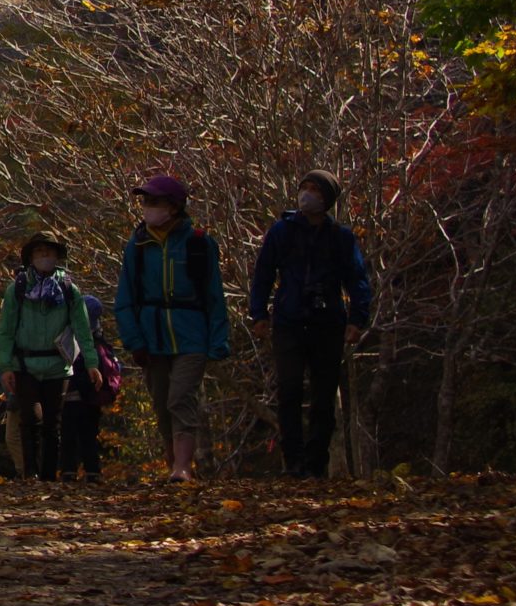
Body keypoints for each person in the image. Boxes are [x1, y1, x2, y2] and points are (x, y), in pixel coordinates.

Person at [248, 171, 374, 478]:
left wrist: (357, 319)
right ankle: (293, 462)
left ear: (327, 198)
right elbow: (264, 272)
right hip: (289, 321)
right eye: (304, 187)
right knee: (288, 391)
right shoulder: (282, 232)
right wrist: (259, 314)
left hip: (328, 323)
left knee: (323, 395)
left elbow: (357, 280)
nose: (307, 194)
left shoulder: (341, 238)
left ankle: (317, 463)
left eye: (314, 189)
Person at [114, 173, 231, 482]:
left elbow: (213, 294)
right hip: (151, 336)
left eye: (155, 202)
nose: (148, 208)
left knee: (181, 397)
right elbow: (125, 297)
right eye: (146, 202)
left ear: (175, 207)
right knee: (162, 401)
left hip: (191, 333)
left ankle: (183, 467)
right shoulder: (138, 245)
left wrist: (218, 340)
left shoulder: (199, 243)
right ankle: (172, 465)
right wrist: (133, 339)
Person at [0, 234, 98, 481]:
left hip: (58, 365)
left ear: (56, 256)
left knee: (53, 423)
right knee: (29, 419)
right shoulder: (18, 289)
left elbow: (82, 329)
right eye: (39, 252)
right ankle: (30, 473)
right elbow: (6, 330)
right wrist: (5, 366)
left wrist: (92, 362)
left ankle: (49, 474)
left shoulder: (69, 290)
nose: (44, 256)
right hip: (25, 364)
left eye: (48, 252)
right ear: (30, 257)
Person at [62, 291, 117, 480]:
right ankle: (92, 471)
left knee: (68, 435)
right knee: (89, 435)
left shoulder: (72, 338)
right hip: (92, 397)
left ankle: (68, 470)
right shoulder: (100, 340)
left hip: (72, 396)